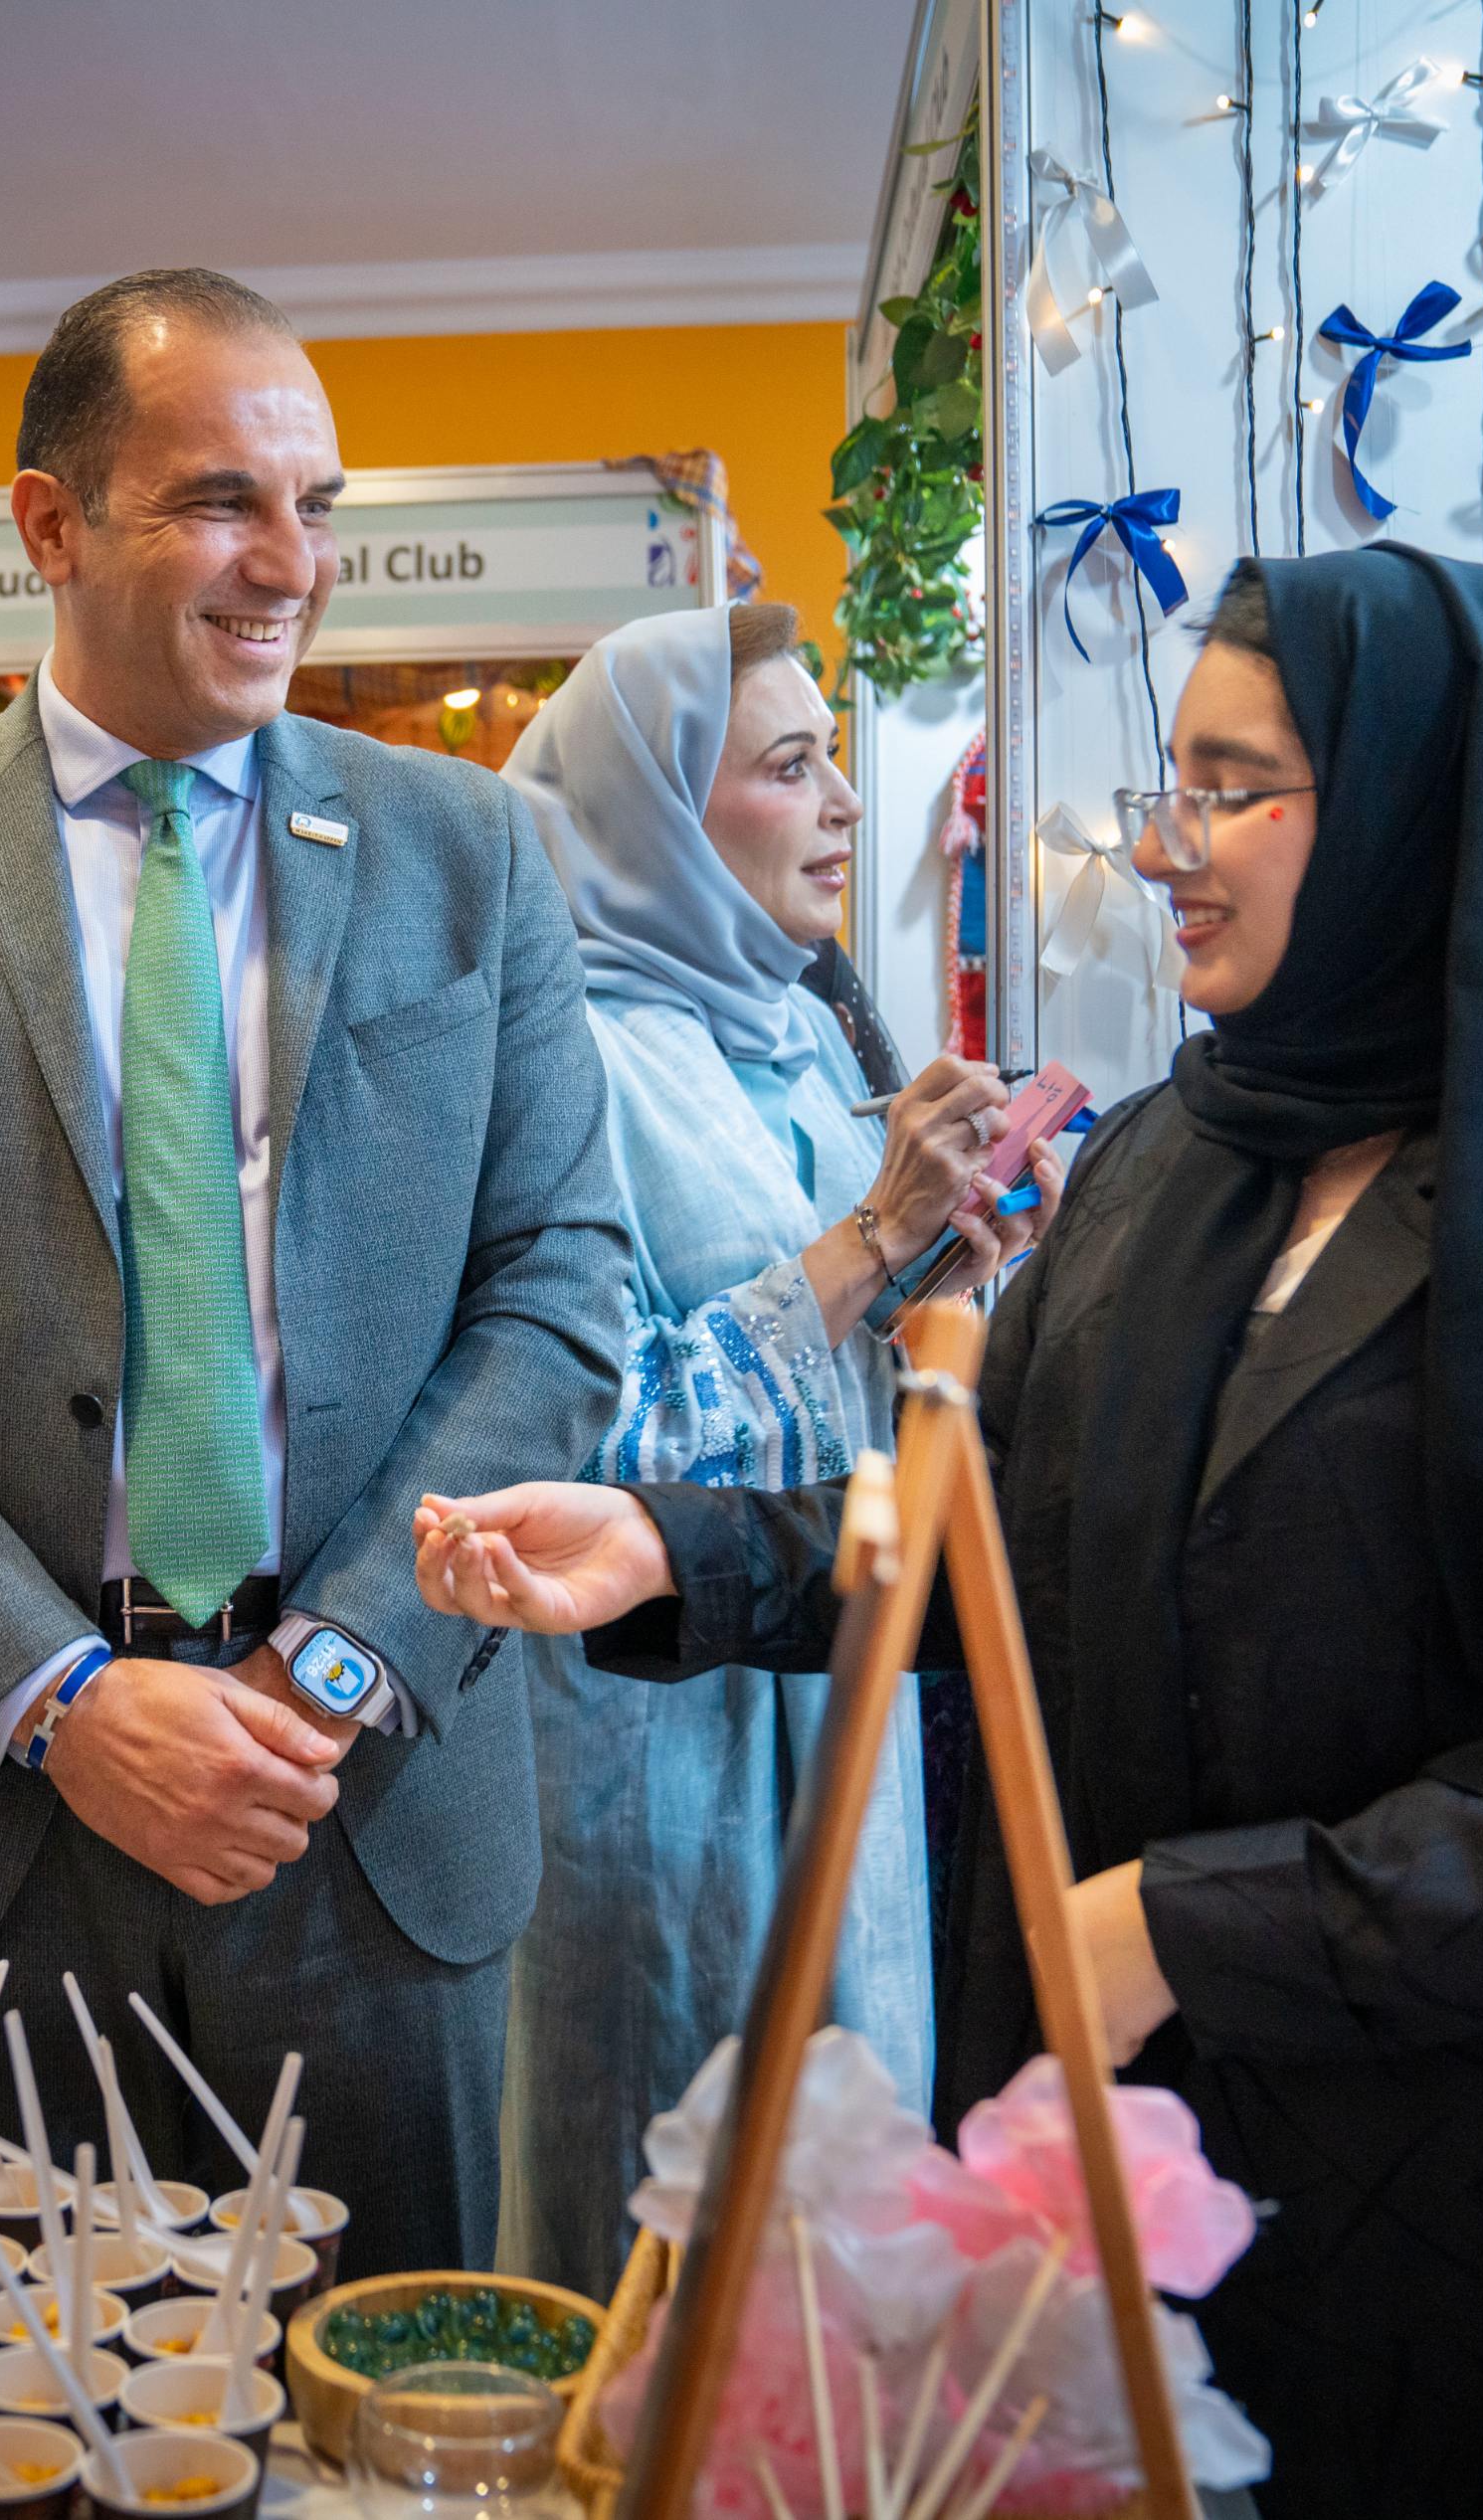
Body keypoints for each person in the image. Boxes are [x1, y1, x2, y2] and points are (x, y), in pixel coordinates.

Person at [414, 548, 1483, 2516]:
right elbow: (994, 1526)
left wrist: (1181, 1924)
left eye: (1232, 790)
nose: (1163, 846)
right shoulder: (1171, 1161)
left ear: (1414, 814)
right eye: (1172, 784)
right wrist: (669, 1544)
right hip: (1109, 2179)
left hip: (1470, 2210)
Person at [0, 267, 633, 2273]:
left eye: (314, 505)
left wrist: (335, 1661)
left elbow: (561, 1282)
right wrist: (59, 1695)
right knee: (12, 2396)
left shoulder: (466, 848)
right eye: (221, 500)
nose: (288, 563)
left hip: (361, 1802)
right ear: (49, 525)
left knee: (378, 2390)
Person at [488, 599, 1026, 2295]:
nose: (844, 802)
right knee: (671, 2220)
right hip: (660, 1744)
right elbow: (584, 1432)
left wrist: (955, 1255)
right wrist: (871, 1238)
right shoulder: (554, 1056)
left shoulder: (794, 1029)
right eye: (790, 766)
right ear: (651, 812)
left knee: (848, 2231)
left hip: (837, 1693)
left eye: (833, 756)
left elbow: (836, 1368)